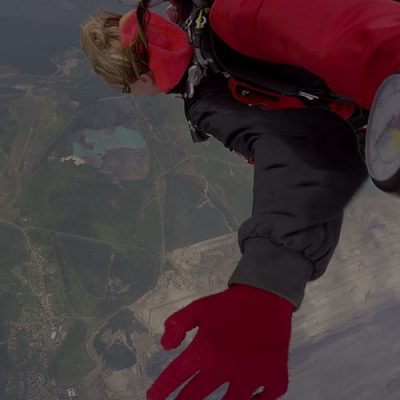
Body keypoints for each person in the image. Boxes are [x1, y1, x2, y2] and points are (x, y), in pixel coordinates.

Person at [79, 0, 399, 398]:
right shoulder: (210, 62)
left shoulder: (230, 28)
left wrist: (266, 284)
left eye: (126, 89)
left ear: (141, 77)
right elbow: (302, 145)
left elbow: (346, 30)